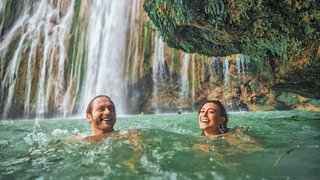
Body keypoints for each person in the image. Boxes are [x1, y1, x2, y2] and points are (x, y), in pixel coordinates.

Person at [194, 99, 259, 152]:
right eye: (202, 111)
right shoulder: (199, 138)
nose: (204, 115)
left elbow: (256, 148)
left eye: (211, 112)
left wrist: (216, 151)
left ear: (221, 120)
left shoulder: (230, 136)